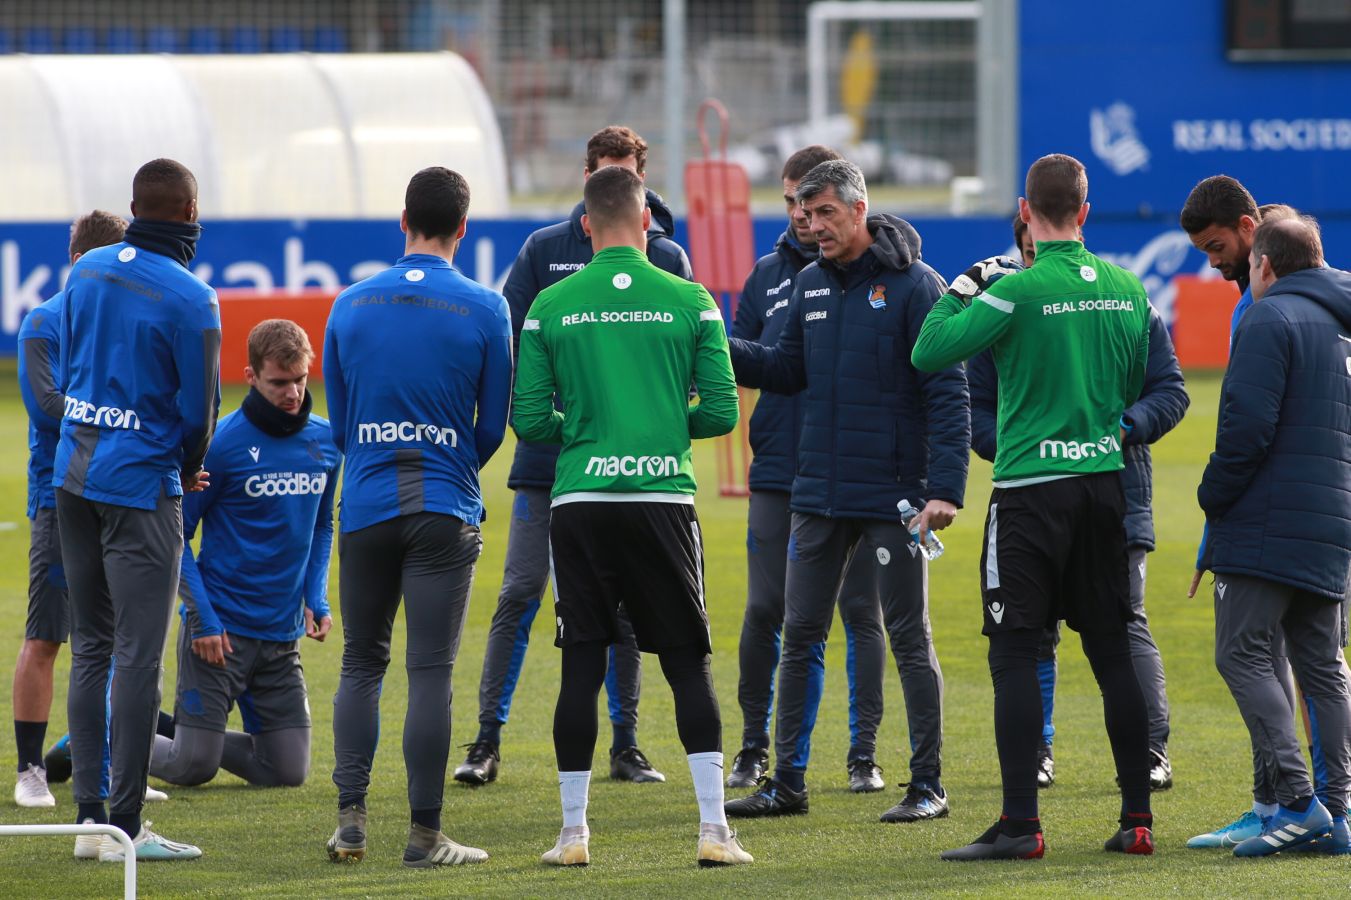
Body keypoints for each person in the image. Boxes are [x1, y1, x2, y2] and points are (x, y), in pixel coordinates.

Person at [914, 153, 1155, 860]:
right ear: (1084, 210)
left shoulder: (1013, 291)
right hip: (1104, 486)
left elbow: (929, 351)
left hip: (1028, 493)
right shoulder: (1128, 289)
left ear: (1025, 211)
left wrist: (966, 283)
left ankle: (1021, 823)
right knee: (1113, 651)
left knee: (1016, 652)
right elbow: (1138, 376)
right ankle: (1136, 818)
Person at [513, 164, 749, 867]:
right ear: (646, 221)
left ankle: (572, 835)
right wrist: (654, 427)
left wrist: (591, 427)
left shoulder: (550, 305)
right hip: (661, 501)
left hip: (581, 501)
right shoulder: (690, 299)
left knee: (581, 666)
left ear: (585, 224)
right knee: (686, 665)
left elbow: (528, 417)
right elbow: (724, 410)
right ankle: (713, 832)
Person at [724, 159, 969, 824]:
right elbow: (784, 369)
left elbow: (947, 390)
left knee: (906, 635)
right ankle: (787, 784)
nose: (813, 227)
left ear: (857, 209)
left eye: (825, 213)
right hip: (817, 495)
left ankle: (927, 785)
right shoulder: (807, 284)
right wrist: (716, 344)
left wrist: (943, 489)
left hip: (892, 500)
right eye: (805, 216)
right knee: (800, 633)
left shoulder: (918, 287)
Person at [456, 125, 689, 789]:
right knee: (519, 593)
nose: (612, 180)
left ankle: (626, 743)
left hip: (627, 467)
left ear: (640, 182)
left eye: (623, 170)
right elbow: (516, 345)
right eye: (603, 169)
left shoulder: (666, 259)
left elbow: (679, 367)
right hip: (548, 461)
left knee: (619, 608)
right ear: (586, 178)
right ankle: (485, 742)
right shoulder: (543, 250)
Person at [323, 166, 511, 868]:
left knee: (359, 664)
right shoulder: (486, 308)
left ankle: (350, 822)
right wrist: (449, 456)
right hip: (443, 504)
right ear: (464, 228)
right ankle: (426, 835)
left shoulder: (349, 303)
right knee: (429, 671)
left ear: (402, 219)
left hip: (367, 502)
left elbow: (340, 422)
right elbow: (492, 427)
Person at [969, 215, 1189, 792]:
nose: (1035, 261)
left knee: (1123, 625)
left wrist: (1125, 426)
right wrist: (1016, 440)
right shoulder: (1006, 306)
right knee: (1032, 631)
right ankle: (1039, 750)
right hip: (1032, 487)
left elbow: (1170, 389)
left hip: (1116, 491)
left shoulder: (1123, 297)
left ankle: (1149, 753)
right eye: (1025, 253)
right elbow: (977, 406)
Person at [55, 159, 220, 862]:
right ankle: (126, 827)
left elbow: (68, 368)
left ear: (134, 206)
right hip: (139, 487)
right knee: (136, 657)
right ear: (188, 212)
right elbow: (199, 413)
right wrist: (180, 471)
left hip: (73, 476)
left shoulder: (86, 269)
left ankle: (91, 823)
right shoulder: (193, 297)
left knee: (90, 649)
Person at [727, 144, 890, 794]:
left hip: (850, 472)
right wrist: (703, 338)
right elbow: (749, 361)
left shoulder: (879, 277)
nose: (801, 214)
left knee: (859, 613)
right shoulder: (766, 275)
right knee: (768, 608)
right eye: (792, 201)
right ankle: (752, 748)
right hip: (778, 467)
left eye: (811, 202)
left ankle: (862, 753)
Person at [1194, 215, 1351, 857]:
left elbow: (1246, 428)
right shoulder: (1342, 319)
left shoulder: (1267, 317)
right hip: (1334, 518)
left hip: (1267, 520)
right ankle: (1338, 811)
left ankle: (1294, 802)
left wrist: (1212, 496)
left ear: (1265, 264)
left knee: (1242, 652)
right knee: (1322, 665)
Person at [149, 319, 339, 789]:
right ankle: (105, 735)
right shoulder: (220, 444)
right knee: (194, 767)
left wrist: (317, 597)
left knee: (287, 771)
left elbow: (321, 525)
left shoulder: (326, 441)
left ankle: (155, 729)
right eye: (279, 382)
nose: (293, 392)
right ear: (250, 376)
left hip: (281, 636)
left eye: (300, 378)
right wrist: (205, 621)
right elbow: (176, 535)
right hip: (221, 632)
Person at [13, 210, 128, 810]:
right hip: (60, 496)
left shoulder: (122, 319)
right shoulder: (45, 322)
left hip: (122, 494)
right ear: (85, 263)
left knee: (109, 641)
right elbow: (47, 407)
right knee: (47, 635)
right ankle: (30, 769)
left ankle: (102, 765)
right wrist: (125, 423)